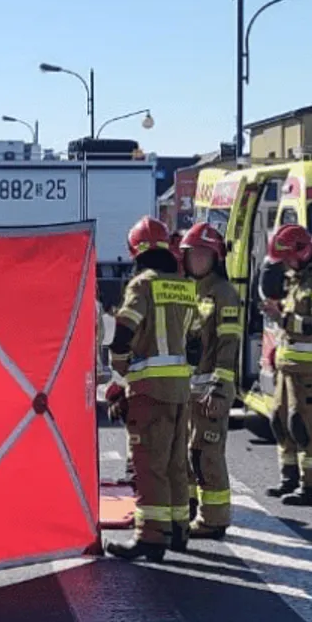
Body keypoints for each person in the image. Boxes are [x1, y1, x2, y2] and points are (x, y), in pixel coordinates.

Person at [102, 217, 196, 562]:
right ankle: (178, 530)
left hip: (150, 391)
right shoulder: (184, 286)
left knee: (148, 466)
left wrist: (119, 368)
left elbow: (124, 330)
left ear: (135, 251)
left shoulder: (142, 284)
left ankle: (151, 537)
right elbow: (195, 340)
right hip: (180, 391)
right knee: (174, 463)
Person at [260, 223, 312, 506]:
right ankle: (289, 478)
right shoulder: (297, 278)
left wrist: (281, 318)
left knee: (307, 427)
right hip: (288, 366)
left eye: (288, 259)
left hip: (311, 371)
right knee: (281, 422)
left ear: (302, 253)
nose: (285, 265)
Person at [180, 222, 243, 540]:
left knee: (207, 455)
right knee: (190, 452)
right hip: (191, 388)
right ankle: (191, 507)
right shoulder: (190, 289)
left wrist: (219, 389)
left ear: (216, 258)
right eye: (192, 254)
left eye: (203, 255)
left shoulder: (224, 293)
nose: (197, 260)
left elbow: (228, 346)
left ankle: (214, 520)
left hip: (212, 388)